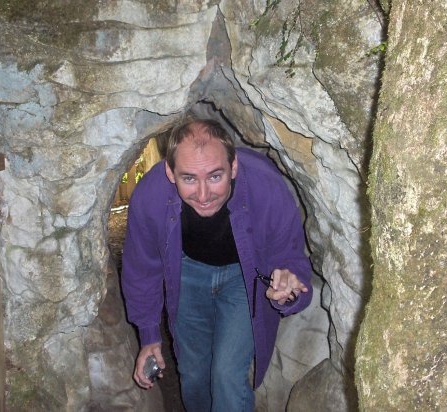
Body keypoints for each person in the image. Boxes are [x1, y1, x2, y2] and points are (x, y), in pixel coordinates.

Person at [121, 118, 312, 412]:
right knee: (194, 374)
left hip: (242, 276)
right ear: (170, 172)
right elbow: (141, 270)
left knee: (227, 375)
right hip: (186, 273)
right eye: (188, 178)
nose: (203, 194)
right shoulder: (150, 197)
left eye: (214, 176)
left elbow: (290, 259)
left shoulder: (264, 186)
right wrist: (149, 336)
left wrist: (289, 287)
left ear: (233, 166)